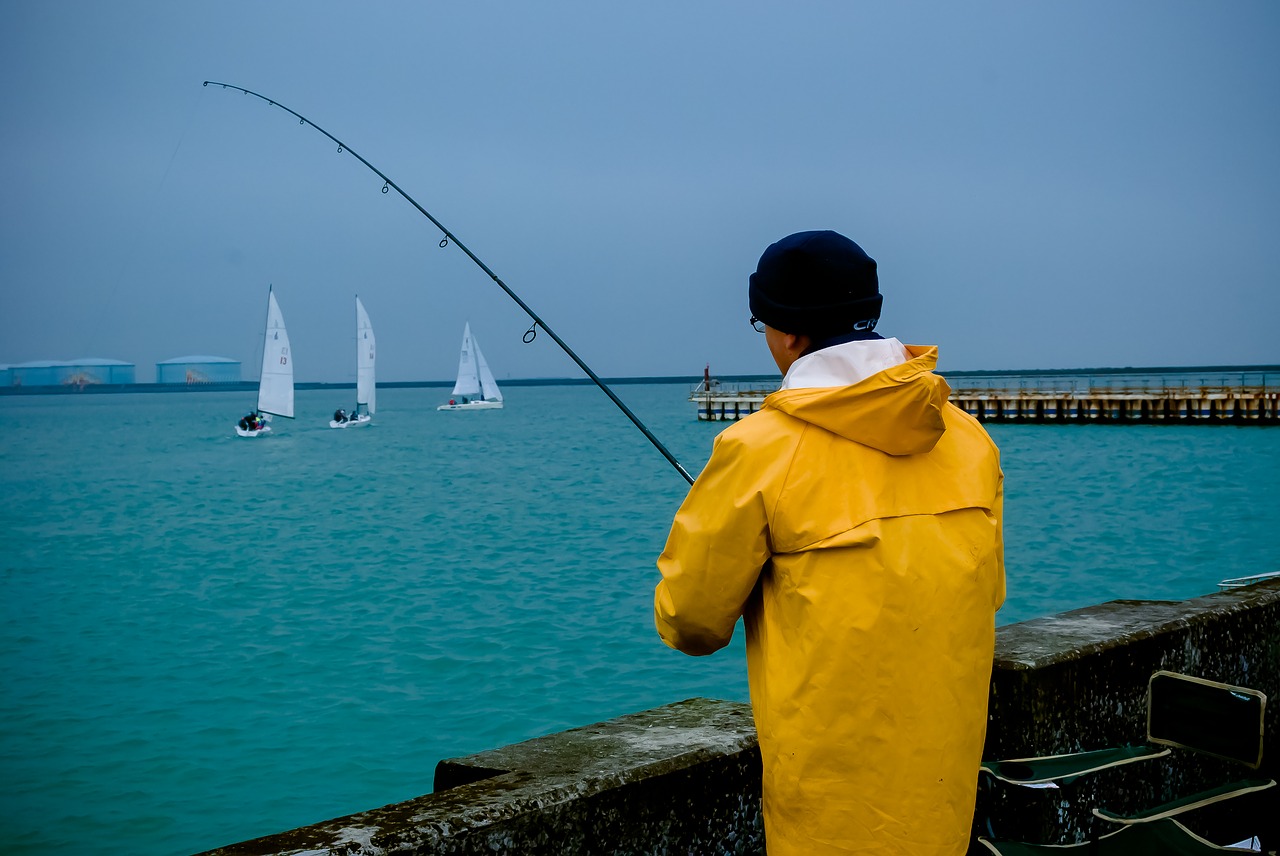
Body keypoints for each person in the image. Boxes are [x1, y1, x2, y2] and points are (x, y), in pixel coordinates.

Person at [654, 230, 1005, 856]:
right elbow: (987, 594)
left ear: (788, 334)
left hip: (827, 808)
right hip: (944, 794)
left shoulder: (758, 448)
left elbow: (691, 622)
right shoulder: (969, 439)